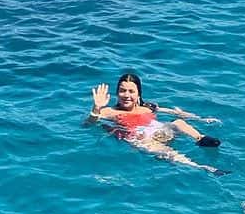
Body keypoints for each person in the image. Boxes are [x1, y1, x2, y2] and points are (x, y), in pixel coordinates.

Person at [84, 72, 224, 172]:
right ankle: (202, 167)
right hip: (142, 138)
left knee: (178, 122)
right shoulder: (109, 112)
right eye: (122, 91)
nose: (126, 95)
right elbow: (88, 124)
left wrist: (199, 119)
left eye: (131, 91)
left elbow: (172, 112)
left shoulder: (147, 107)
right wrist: (96, 108)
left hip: (162, 132)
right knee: (168, 152)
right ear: (117, 93)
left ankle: (201, 139)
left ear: (138, 94)